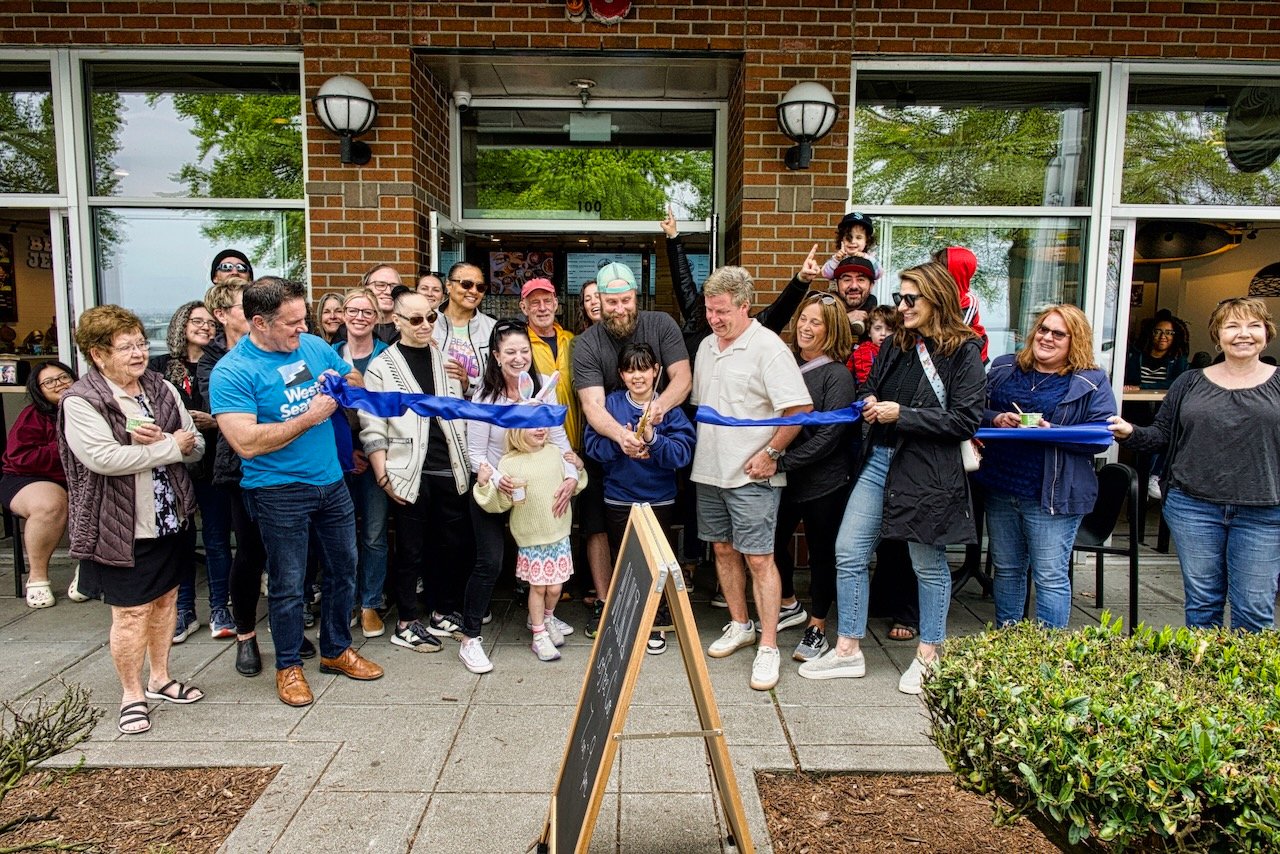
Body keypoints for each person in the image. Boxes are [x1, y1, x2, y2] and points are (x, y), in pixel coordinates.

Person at [799, 262, 984, 694]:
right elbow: (868, 387)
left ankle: (929, 655)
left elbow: (965, 419)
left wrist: (904, 415)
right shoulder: (897, 343)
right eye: (900, 297)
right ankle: (848, 649)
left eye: (910, 299)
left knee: (928, 562)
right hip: (879, 459)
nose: (901, 306)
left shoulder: (964, 350)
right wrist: (869, 401)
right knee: (849, 549)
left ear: (936, 298)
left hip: (927, 469)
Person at [211, 277, 383, 707]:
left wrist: (343, 384)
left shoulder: (313, 346)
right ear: (259, 322)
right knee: (288, 583)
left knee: (345, 569)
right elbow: (246, 442)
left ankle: (336, 650)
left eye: (303, 319)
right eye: (291, 323)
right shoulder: (232, 371)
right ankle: (289, 665)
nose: (301, 329)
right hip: (277, 491)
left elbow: (356, 379)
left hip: (331, 482)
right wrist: (310, 416)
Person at [59, 305, 206, 735]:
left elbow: (193, 445)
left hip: (169, 517)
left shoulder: (159, 387)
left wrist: (167, 442)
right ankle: (131, 694)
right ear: (98, 353)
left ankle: (160, 679)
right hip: (120, 525)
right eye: (126, 347)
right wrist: (167, 447)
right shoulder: (82, 400)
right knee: (130, 614)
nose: (139, 353)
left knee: (165, 602)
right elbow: (103, 459)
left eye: (141, 343)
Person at [1109, 297, 1280, 633]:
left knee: (1254, 608)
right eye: (1232, 326)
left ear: (1266, 333)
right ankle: (1203, 682)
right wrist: (1129, 433)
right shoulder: (1189, 382)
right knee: (1202, 605)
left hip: (1264, 511)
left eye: (1253, 326)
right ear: (1217, 335)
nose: (1242, 334)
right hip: (1194, 507)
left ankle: (1243, 685)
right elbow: (1160, 436)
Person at [692, 266, 813, 692]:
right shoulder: (706, 347)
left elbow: (797, 411)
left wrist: (772, 454)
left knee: (759, 558)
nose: (714, 318)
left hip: (752, 474)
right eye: (710, 310)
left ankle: (768, 645)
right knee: (723, 550)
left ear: (745, 306)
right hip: (708, 470)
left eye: (722, 311)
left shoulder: (769, 348)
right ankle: (739, 624)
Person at [978, 305, 1116, 628]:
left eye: (1058, 333)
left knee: (1049, 576)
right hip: (1001, 487)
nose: (1047, 338)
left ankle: (1046, 657)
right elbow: (971, 409)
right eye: (1043, 329)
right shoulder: (1003, 368)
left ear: (1074, 340)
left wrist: (1052, 433)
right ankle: (1007, 646)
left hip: (1052, 496)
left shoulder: (1090, 381)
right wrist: (995, 418)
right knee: (1008, 569)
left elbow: (1100, 437)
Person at [572, 260, 691, 635]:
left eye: (626, 300)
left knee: (662, 540)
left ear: (636, 296)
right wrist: (620, 437)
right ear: (599, 302)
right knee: (603, 530)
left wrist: (659, 408)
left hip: (658, 463)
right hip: (611, 457)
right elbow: (592, 405)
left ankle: (660, 610)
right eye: (612, 302)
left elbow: (682, 378)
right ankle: (610, 608)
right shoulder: (587, 343)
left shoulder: (661, 325)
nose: (620, 309)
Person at [466, 321, 582, 673]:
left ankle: (545, 620)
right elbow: (475, 453)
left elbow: (562, 445)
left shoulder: (542, 393)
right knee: (490, 562)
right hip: (498, 486)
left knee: (547, 561)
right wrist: (501, 480)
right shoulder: (485, 398)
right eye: (510, 352)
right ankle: (470, 639)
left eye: (524, 351)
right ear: (496, 356)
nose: (519, 358)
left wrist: (572, 478)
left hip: (537, 489)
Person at [360, 289, 473, 651]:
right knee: (411, 549)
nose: (425, 325)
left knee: (449, 546)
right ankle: (408, 620)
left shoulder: (445, 361)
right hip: (408, 471)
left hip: (450, 467)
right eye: (416, 319)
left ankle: (442, 611)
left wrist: (466, 385)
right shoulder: (382, 367)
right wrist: (383, 475)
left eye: (431, 317)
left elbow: (460, 412)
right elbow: (373, 425)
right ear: (396, 321)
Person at [584, 342, 696, 654]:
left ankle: (657, 620)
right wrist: (621, 444)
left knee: (658, 562)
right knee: (626, 561)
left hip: (659, 498)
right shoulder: (611, 404)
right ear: (621, 373)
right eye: (630, 370)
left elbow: (682, 454)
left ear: (656, 371)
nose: (637, 376)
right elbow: (593, 445)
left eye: (643, 369)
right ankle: (629, 620)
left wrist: (653, 440)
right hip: (619, 498)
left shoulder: (668, 408)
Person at [198, 277, 283, 677]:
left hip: (285, 465)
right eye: (242, 308)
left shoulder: (278, 351)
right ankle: (246, 635)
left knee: (288, 556)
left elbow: (292, 396)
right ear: (223, 315)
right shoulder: (215, 361)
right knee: (250, 553)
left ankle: (286, 628)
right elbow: (225, 419)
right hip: (239, 471)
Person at [771, 293, 857, 662]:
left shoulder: (837, 374)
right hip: (786, 480)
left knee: (823, 555)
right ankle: (789, 604)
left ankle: (818, 626)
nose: (805, 327)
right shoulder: (785, 363)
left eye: (815, 322)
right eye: (803, 319)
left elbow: (828, 439)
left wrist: (780, 461)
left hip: (825, 482)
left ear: (831, 329)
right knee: (770, 545)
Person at [148, 300, 233, 642]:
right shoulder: (159, 367)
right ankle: (183, 609)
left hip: (214, 461)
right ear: (181, 325)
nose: (205, 327)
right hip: (174, 462)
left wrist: (216, 422)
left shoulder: (225, 364)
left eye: (212, 323)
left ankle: (219, 607)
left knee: (216, 538)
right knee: (179, 539)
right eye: (197, 321)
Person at [474, 426, 587, 662]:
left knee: (556, 588)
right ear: (516, 429)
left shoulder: (556, 453)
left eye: (543, 422)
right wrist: (484, 484)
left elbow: (574, 485)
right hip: (531, 537)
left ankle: (547, 617)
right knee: (538, 587)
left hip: (558, 534)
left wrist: (578, 466)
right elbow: (501, 503)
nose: (540, 428)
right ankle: (538, 635)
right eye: (531, 424)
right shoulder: (508, 463)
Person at [333, 287, 391, 638]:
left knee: (373, 534)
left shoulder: (388, 357)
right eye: (353, 310)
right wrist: (346, 453)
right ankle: (345, 601)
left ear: (376, 318)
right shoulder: (324, 354)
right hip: (337, 459)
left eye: (367, 312)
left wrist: (370, 452)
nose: (359, 317)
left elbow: (390, 411)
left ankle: (370, 603)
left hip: (377, 458)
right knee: (339, 536)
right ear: (342, 315)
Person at [0, 360, 77, 608]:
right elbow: (21, 457)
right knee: (51, 504)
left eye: (63, 377)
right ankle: (38, 577)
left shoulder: (91, 409)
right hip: (30, 477)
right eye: (49, 382)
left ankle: (88, 571)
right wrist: (67, 448)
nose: (59, 384)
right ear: (39, 390)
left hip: (80, 479)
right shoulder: (32, 416)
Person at [1123, 310, 1190, 498]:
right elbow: (1128, 380)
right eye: (1158, 331)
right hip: (1136, 411)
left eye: (1169, 333)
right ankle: (1141, 481)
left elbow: (1175, 383)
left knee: (1167, 432)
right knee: (1146, 431)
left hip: (1163, 411)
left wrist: (1142, 386)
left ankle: (1153, 476)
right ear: (1151, 333)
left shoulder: (1178, 358)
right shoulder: (1136, 355)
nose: (1163, 336)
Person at [434, 261, 497, 399]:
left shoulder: (493, 328)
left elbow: (502, 378)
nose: (474, 291)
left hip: (478, 413)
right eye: (466, 284)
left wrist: (468, 384)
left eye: (480, 287)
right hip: (434, 412)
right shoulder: (426, 323)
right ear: (449, 285)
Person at [933, 246, 988, 364]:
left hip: (964, 356)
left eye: (939, 269)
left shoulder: (968, 300)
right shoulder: (936, 296)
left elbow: (957, 328)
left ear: (953, 273)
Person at [820, 211, 881, 283]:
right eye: (848, 238)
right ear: (841, 239)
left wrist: (865, 257)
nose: (853, 241)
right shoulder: (838, 258)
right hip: (839, 293)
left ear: (867, 241)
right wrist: (836, 260)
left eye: (858, 238)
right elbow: (826, 274)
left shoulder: (869, 257)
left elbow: (878, 273)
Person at [849, 304, 898, 384]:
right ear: (869, 332)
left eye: (889, 329)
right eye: (877, 328)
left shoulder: (895, 350)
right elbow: (866, 382)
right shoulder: (864, 351)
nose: (883, 333)